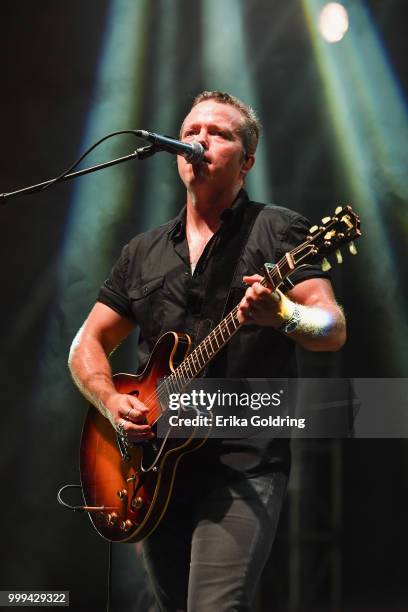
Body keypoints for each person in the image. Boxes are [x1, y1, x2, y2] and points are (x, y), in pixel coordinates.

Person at [68, 91, 346, 611]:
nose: (200, 139)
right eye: (192, 130)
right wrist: (111, 401)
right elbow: (86, 345)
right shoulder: (143, 252)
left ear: (248, 161)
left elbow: (330, 326)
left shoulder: (277, 229)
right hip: (154, 470)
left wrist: (284, 314)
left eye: (220, 133)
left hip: (241, 463)